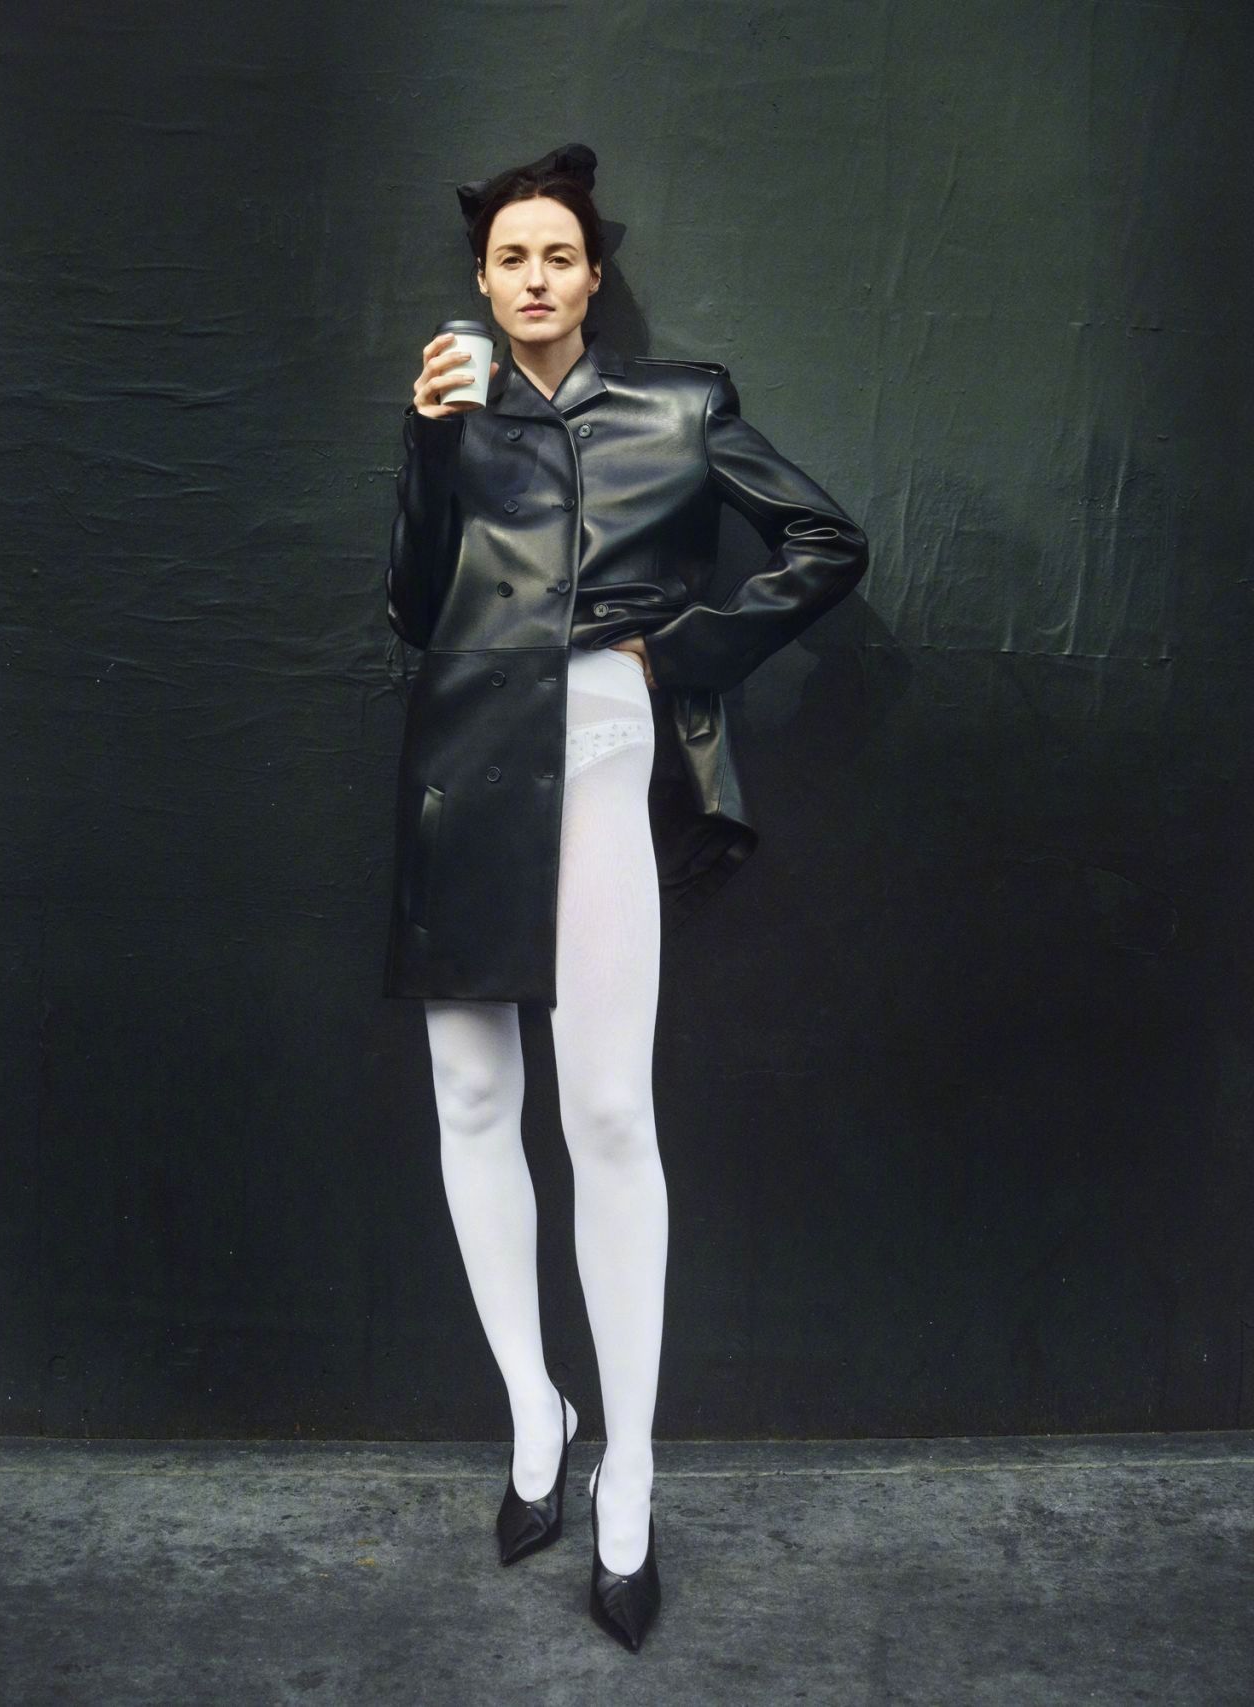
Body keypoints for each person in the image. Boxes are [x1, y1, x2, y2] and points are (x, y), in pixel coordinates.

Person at [388, 143, 869, 1652]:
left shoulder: (681, 406)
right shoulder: (452, 412)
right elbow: (410, 607)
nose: (534, 277)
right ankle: (533, 1412)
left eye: (559, 255)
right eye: (510, 258)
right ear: (484, 284)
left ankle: (633, 1469)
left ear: (593, 278)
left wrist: (680, 652)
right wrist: (426, 449)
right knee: (475, 1100)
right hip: (460, 765)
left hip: (600, 749)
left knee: (605, 1115)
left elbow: (827, 541)